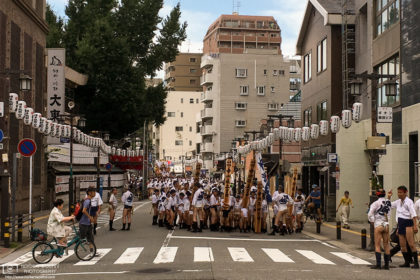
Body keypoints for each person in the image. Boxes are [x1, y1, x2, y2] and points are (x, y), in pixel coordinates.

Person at [389, 186, 419, 269]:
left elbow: (413, 215)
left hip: (408, 223)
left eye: (401, 192)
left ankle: (416, 263)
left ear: (406, 192)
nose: (399, 194)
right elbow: (389, 205)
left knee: (411, 244)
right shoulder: (398, 202)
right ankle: (407, 262)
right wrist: (389, 196)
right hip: (400, 223)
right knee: (402, 245)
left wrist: (415, 226)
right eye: (398, 192)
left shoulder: (409, 202)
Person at [368, 189, 392, 270]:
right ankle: (386, 265)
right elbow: (388, 201)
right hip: (386, 225)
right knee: (386, 244)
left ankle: (378, 264)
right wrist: (389, 196)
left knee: (377, 245)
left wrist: (373, 222)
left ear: (377, 195)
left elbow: (370, 214)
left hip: (378, 224)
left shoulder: (375, 203)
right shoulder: (388, 203)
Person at [79, 187, 96, 256]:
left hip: (87, 223)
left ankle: (92, 252)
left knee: (91, 238)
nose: (95, 193)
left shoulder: (88, 200)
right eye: (93, 191)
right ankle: (65, 247)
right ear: (89, 193)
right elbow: (84, 210)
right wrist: (90, 217)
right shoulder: (87, 201)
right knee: (80, 238)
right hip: (84, 223)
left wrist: (90, 218)